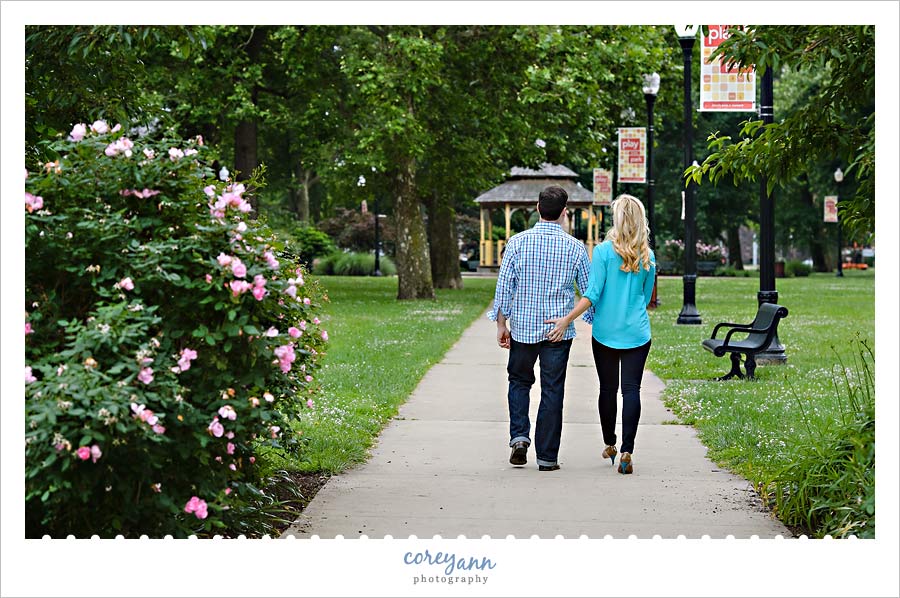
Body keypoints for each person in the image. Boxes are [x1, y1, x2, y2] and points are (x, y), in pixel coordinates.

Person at [546, 194, 655, 475]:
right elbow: (644, 299)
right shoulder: (648, 255)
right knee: (631, 390)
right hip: (638, 333)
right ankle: (628, 451)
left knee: (608, 389)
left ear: (616, 219)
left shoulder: (604, 252)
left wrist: (567, 318)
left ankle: (610, 443)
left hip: (606, 333)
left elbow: (592, 294)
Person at [488, 185, 593, 471]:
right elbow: (588, 291)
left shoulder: (517, 243)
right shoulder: (575, 248)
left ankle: (519, 437)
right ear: (564, 213)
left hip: (522, 327)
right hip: (558, 331)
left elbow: (504, 287)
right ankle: (547, 457)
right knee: (552, 390)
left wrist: (501, 323)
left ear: (537, 208)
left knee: (519, 382)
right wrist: (582, 320)